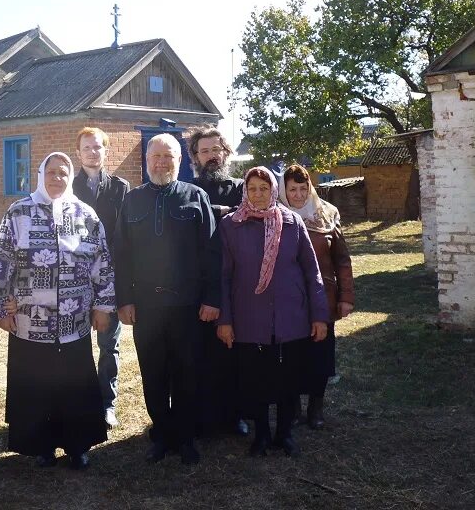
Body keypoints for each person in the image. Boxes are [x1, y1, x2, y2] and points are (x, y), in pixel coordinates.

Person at [0, 152, 115, 470]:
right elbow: (2, 262)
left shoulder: (85, 214)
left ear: (70, 176)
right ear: (40, 174)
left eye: (63, 172)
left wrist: (103, 305)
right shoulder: (19, 212)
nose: (57, 177)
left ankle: (77, 447)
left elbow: (102, 262)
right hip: (30, 324)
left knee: (73, 388)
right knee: (36, 388)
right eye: (52, 171)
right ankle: (42, 446)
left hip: (73, 324)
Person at [114, 133, 220, 465]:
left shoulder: (196, 197)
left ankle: (185, 437)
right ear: (147, 161)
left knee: (187, 373)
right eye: (155, 156)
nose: (161, 162)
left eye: (168, 156)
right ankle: (161, 434)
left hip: (188, 307)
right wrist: (124, 300)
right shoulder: (131, 200)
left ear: (179, 161)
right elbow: (121, 255)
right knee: (154, 374)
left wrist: (211, 298)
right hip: (146, 308)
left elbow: (212, 253)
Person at [216, 166, 329, 459]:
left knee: (288, 380)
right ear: (245, 191)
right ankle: (262, 435)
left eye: (264, 189)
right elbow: (224, 277)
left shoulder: (292, 222)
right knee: (257, 381)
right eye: (252, 188)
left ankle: (285, 434)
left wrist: (319, 316)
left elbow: (311, 271)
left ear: (273, 191)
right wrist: (225, 320)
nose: (258, 194)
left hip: (291, 317)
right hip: (249, 318)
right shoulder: (231, 225)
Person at [278, 164, 354, 429]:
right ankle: (295, 408)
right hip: (288, 300)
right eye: (292, 189)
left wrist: (346, 297)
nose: (298, 195)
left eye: (303, 188)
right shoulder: (275, 215)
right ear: (283, 190)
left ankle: (316, 408)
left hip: (323, 296)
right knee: (292, 355)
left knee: (320, 354)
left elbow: (342, 259)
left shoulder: (327, 214)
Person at [187, 125, 248, 438]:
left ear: (226, 152)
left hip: (236, 282)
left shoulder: (242, 186)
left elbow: (249, 213)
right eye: (204, 151)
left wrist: (218, 211)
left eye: (216, 150)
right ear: (195, 157)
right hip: (199, 284)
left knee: (233, 350)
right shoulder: (187, 189)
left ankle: (235, 414)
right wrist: (223, 212)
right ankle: (202, 416)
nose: (211, 156)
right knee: (201, 353)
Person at [71, 127, 130, 429]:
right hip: (76, 282)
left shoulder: (120, 188)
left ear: (106, 151)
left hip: (111, 281)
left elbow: (126, 236)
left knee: (109, 346)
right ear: (78, 152)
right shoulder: (67, 188)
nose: (93, 152)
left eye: (98, 147)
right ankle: (80, 401)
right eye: (87, 148)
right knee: (76, 346)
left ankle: (107, 403)